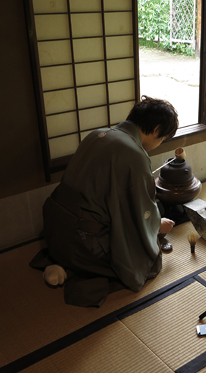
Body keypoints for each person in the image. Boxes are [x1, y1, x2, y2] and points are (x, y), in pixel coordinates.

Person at [30, 96, 178, 307]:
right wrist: (156, 226)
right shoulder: (133, 154)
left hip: (55, 228)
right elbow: (136, 212)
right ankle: (73, 271)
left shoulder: (97, 135)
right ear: (155, 129)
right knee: (146, 261)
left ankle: (60, 261)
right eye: (163, 138)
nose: (159, 142)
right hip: (82, 241)